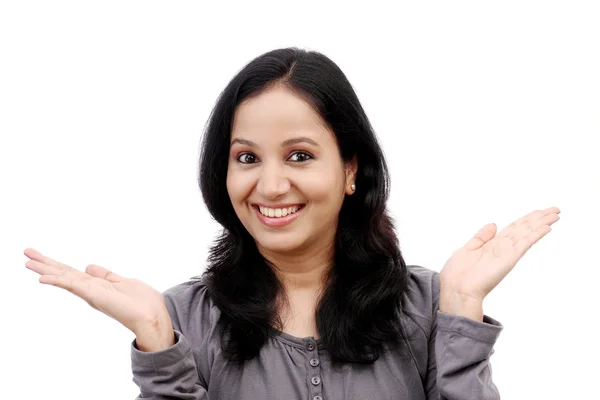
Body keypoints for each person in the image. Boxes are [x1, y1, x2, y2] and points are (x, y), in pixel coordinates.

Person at [24, 48, 560, 399]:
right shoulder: (185, 319)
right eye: (248, 158)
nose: (272, 186)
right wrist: (160, 348)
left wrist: (462, 313)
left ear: (351, 168)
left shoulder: (424, 308)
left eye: (299, 156)